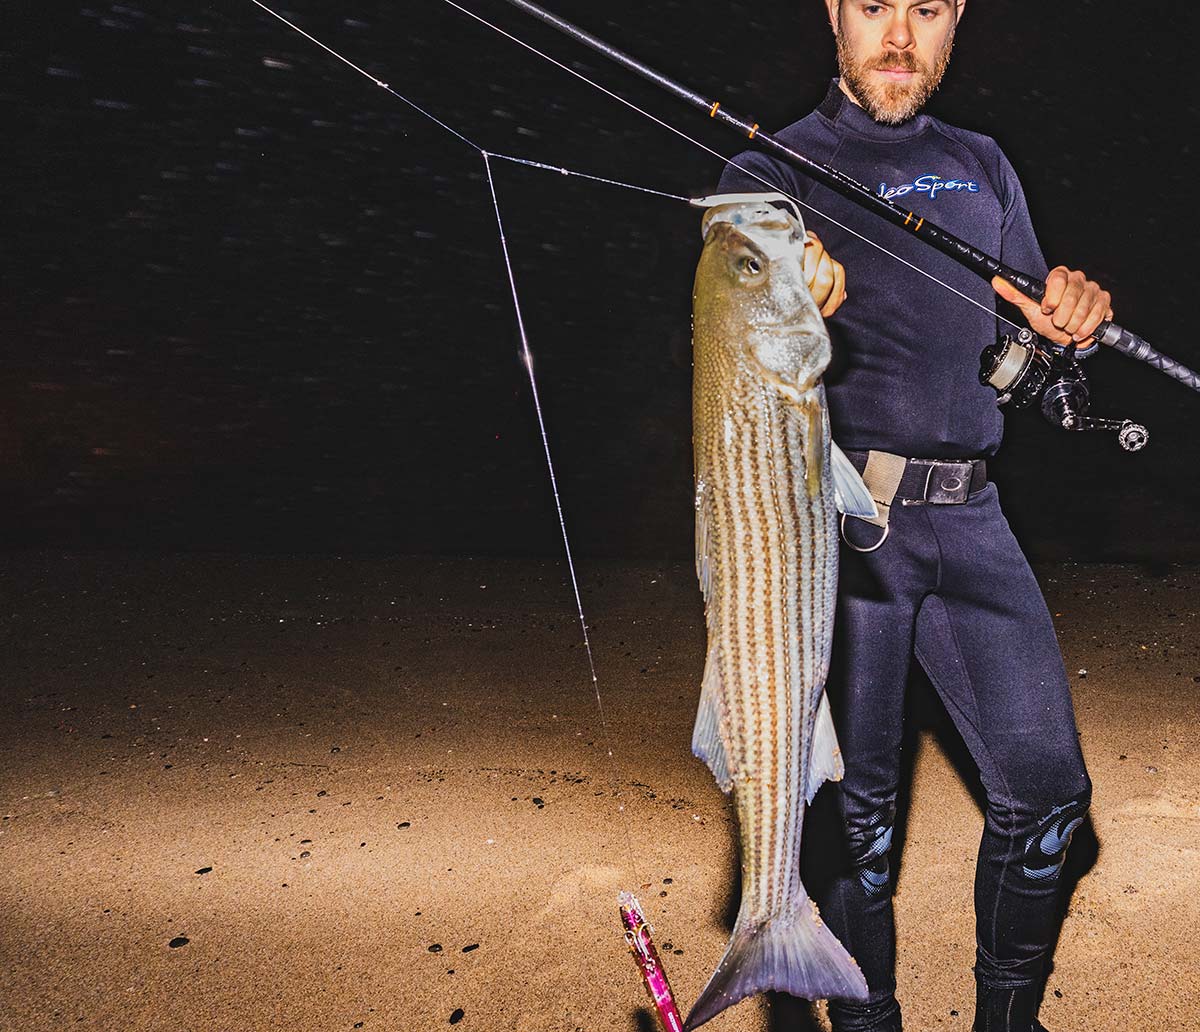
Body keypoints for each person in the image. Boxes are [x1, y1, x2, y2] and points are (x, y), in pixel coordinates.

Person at [715, 3, 1108, 1031]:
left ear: (957, 17)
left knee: (1051, 800)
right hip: (843, 535)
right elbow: (731, 290)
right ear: (834, 13)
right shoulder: (772, 167)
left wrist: (1069, 320)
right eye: (875, 5)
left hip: (974, 519)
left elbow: (1032, 346)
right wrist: (784, 284)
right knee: (862, 830)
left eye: (926, 8)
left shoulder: (983, 164)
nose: (900, 34)